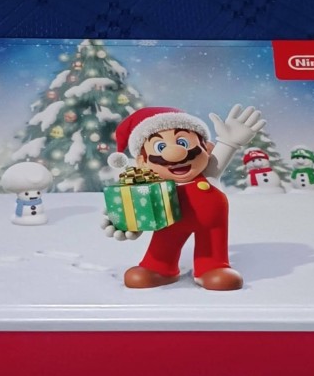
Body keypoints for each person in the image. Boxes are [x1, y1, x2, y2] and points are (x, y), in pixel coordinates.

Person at [102, 105, 266, 290]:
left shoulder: (210, 171)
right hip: (170, 222)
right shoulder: (152, 185)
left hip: (211, 225)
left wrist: (229, 141)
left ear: (207, 148)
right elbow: (140, 206)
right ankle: (159, 267)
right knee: (164, 243)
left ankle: (212, 267)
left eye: (182, 142)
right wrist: (128, 220)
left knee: (212, 247)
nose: (174, 154)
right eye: (160, 146)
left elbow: (224, 151)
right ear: (143, 161)